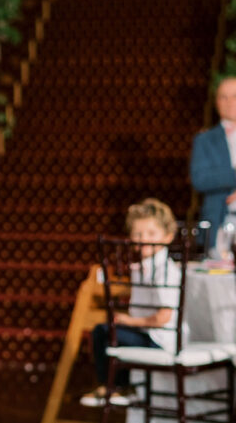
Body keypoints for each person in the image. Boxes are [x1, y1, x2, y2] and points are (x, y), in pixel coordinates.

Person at [79, 198, 181, 407]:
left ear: (168, 237)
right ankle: (115, 386)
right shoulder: (142, 267)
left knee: (105, 331)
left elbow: (164, 317)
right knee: (103, 331)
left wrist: (128, 321)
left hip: (160, 339)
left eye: (151, 234)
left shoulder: (164, 271)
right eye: (138, 234)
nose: (143, 240)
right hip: (146, 333)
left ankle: (119, 387)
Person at [190, 76, 236, 250]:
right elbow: (200, 179)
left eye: (234, 96)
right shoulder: (204, 139)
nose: (229, 102)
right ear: (217, 102)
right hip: (219, 223)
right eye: (223, 97)